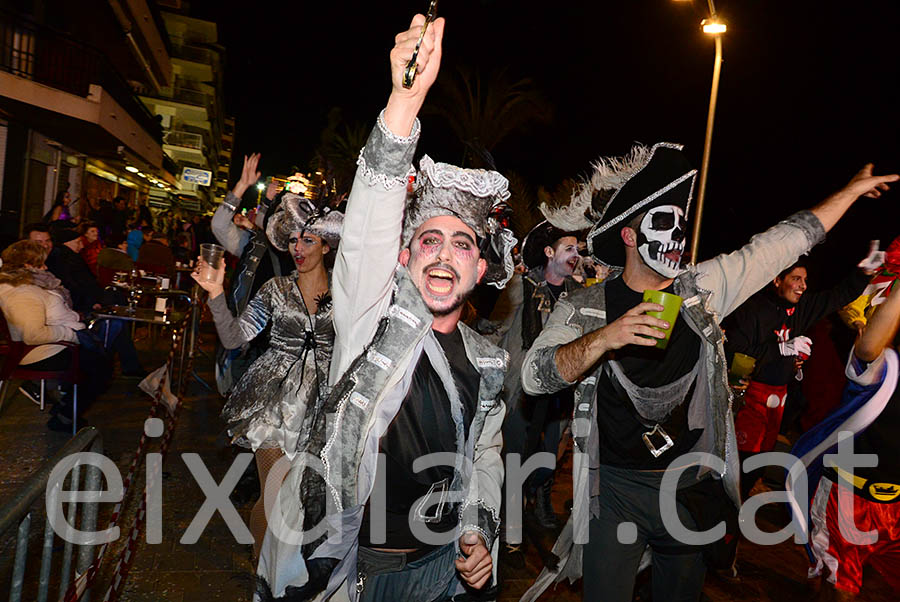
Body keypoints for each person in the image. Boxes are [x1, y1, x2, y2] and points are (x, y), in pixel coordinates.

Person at [518, 140, 897, 602]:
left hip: (686, 488)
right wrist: (606, 337)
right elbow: (534, 377)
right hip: (613, 491)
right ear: (629, 236)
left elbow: (782, 242)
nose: (677, 235)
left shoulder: (702, 291)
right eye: (663, 222)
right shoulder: (586, 307)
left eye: (681, 223)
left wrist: (851, 192)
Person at [257, 13, 514, 602]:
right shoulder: (372, 322)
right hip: (350, 571)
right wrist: (405, 104)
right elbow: (370, 226)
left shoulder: (489, 363)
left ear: (479, 269)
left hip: (439, 573)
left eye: (462, 243)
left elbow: (485, 456)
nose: (444, 255)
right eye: (429, 239)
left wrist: (479, 531)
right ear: (404, 256)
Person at [194, 193, 342, 561]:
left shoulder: (346, 293)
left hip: (323, 406)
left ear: (325, 245)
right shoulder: (274, 290)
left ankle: (288, 572)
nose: (298, 248)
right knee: (274, 495)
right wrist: (216, 294)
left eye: (308, 240)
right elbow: (233, 338)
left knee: (304, 504)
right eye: (293, 240)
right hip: (274, 402)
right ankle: (261, 576)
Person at [788, 255, 900, 601]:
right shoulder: (881, 369)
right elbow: (868, 347)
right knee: (841, 586)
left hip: (896, 509)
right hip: (849, 499)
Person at [723, 257, 874, 499]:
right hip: (748, 396)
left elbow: (838, 296)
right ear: (777, 280)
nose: (803, 285)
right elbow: (736, 351)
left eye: (805, 280)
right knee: (740, 459)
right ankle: (722, 511)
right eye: (796, 279)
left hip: (778, 397)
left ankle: (738, 506)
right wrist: (781, 350)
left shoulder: (802, 306)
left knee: (761, 457)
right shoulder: (754, 309)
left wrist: (864, 272)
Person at [491, 220, 583, 562]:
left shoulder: (577, 294)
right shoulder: (521, 286)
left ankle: (535, 499)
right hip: (520, 393)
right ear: (549, 252)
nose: (576, 255)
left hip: (558, 394)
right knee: (513, 461)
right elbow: (495, 325)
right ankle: (510, 533)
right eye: (569, 249)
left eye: (578, 249)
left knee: (546, 459)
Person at [0, 241, 131, 430]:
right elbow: (33, 334)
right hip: (45, 351)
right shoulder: (23, 292)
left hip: (52, 344)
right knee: (101, 367)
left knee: (104, 346)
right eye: (41, 263)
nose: (45, 267)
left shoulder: (25, 285)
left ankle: (65, 407)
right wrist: (71, 333)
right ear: (27, 265)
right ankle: (65, 416)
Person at [211, 153, 293, 395]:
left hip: (275, 350)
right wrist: (242, 185)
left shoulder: (298, 253)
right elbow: (218, 226)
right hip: (241, 343)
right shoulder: (252, 242)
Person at [45, 229, 119, 313]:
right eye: (78, 242)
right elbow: (75, 284)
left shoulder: (65, 257)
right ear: (66, 243)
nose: (81, 246)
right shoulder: (67, 259)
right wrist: (92, 301)